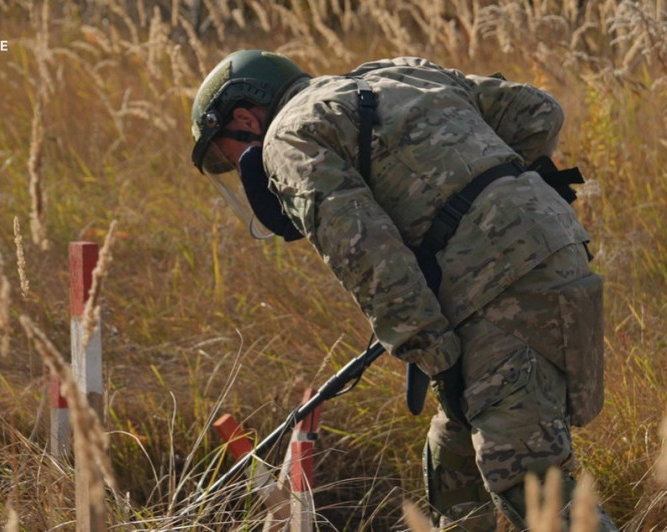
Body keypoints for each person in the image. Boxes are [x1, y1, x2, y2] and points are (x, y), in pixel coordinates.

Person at [190, 49, 616, 530]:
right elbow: (537, 112)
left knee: (529, 481)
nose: (240, 167)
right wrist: (495, 197)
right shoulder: (400, 72)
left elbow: (367, 254)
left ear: (246, 118)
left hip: (501, 287)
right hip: (559, 246)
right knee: (452, 458)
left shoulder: (289, 135)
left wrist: (429, 347)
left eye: (231, 154)